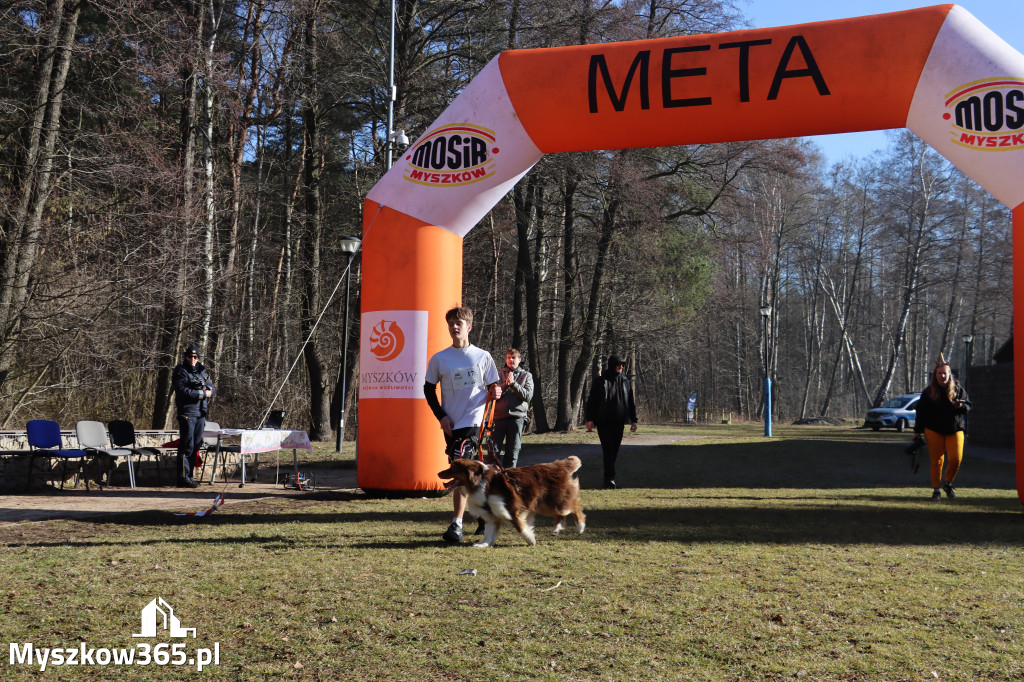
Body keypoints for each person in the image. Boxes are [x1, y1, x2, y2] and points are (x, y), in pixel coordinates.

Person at [423, 306, 501, 544]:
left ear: (469, 327)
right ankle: (484, 516)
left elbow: (493, 386)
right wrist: (442, 417)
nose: (454, 327)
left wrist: (496, 391)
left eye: (459, 323)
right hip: (452, 424)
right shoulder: (440, 358)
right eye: (451, 323)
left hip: (473, 422)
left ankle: (456, 525)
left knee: (460, 471)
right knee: (473, 473)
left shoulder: (483, 356)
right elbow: (428, 389)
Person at [913, 354, 971, 500]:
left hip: (954, 428)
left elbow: (968, 406)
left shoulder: (958, 388)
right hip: (933, 429)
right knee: (937, 461)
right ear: (935, 375)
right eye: (939, 373)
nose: (942, 376)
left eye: (944, 373)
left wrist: (960, 405)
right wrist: (917, 432)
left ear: (949, 374)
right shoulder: (928, 392)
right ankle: (936, 490)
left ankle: (948, 483)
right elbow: (921, 412)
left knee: (956, 459)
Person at [585, 353, 638, 489]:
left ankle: (609, 477)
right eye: (619, 364)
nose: (621, 367)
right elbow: (592, 402)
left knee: (614, 451)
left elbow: (630, 402)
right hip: (604, 422)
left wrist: (634, 420)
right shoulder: (600, 381)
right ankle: (610, 479)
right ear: (612, 365)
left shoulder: (625, 381)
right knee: (608, 450)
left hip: (619, 422)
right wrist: (590, 419)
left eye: (623, 365)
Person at [172, 344, 215, 488]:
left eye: (195, 357)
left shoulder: (202, 371)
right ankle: (183, 478)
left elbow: (212, 387)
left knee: (196, 445)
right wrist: (202, 393)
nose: (193, 359)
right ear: (186, 356)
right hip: (188, 412)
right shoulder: (181, 371)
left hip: (201, 412)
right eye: (190, 356)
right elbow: (182, 390)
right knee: (187, 446)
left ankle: (189, 476)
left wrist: (208, 391)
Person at [491, 348, 534, 469]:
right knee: (493, 452)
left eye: (513, 357)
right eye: (508, 357)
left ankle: (509, 479)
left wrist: (514, 384)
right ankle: (491, 479)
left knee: (512, 452)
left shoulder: (527, 375)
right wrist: (505, 385)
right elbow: (492, 395)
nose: (511, 360)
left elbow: (528, 396)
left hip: (516, 419)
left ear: (519, 360)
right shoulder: (498, 375)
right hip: (498, 419)